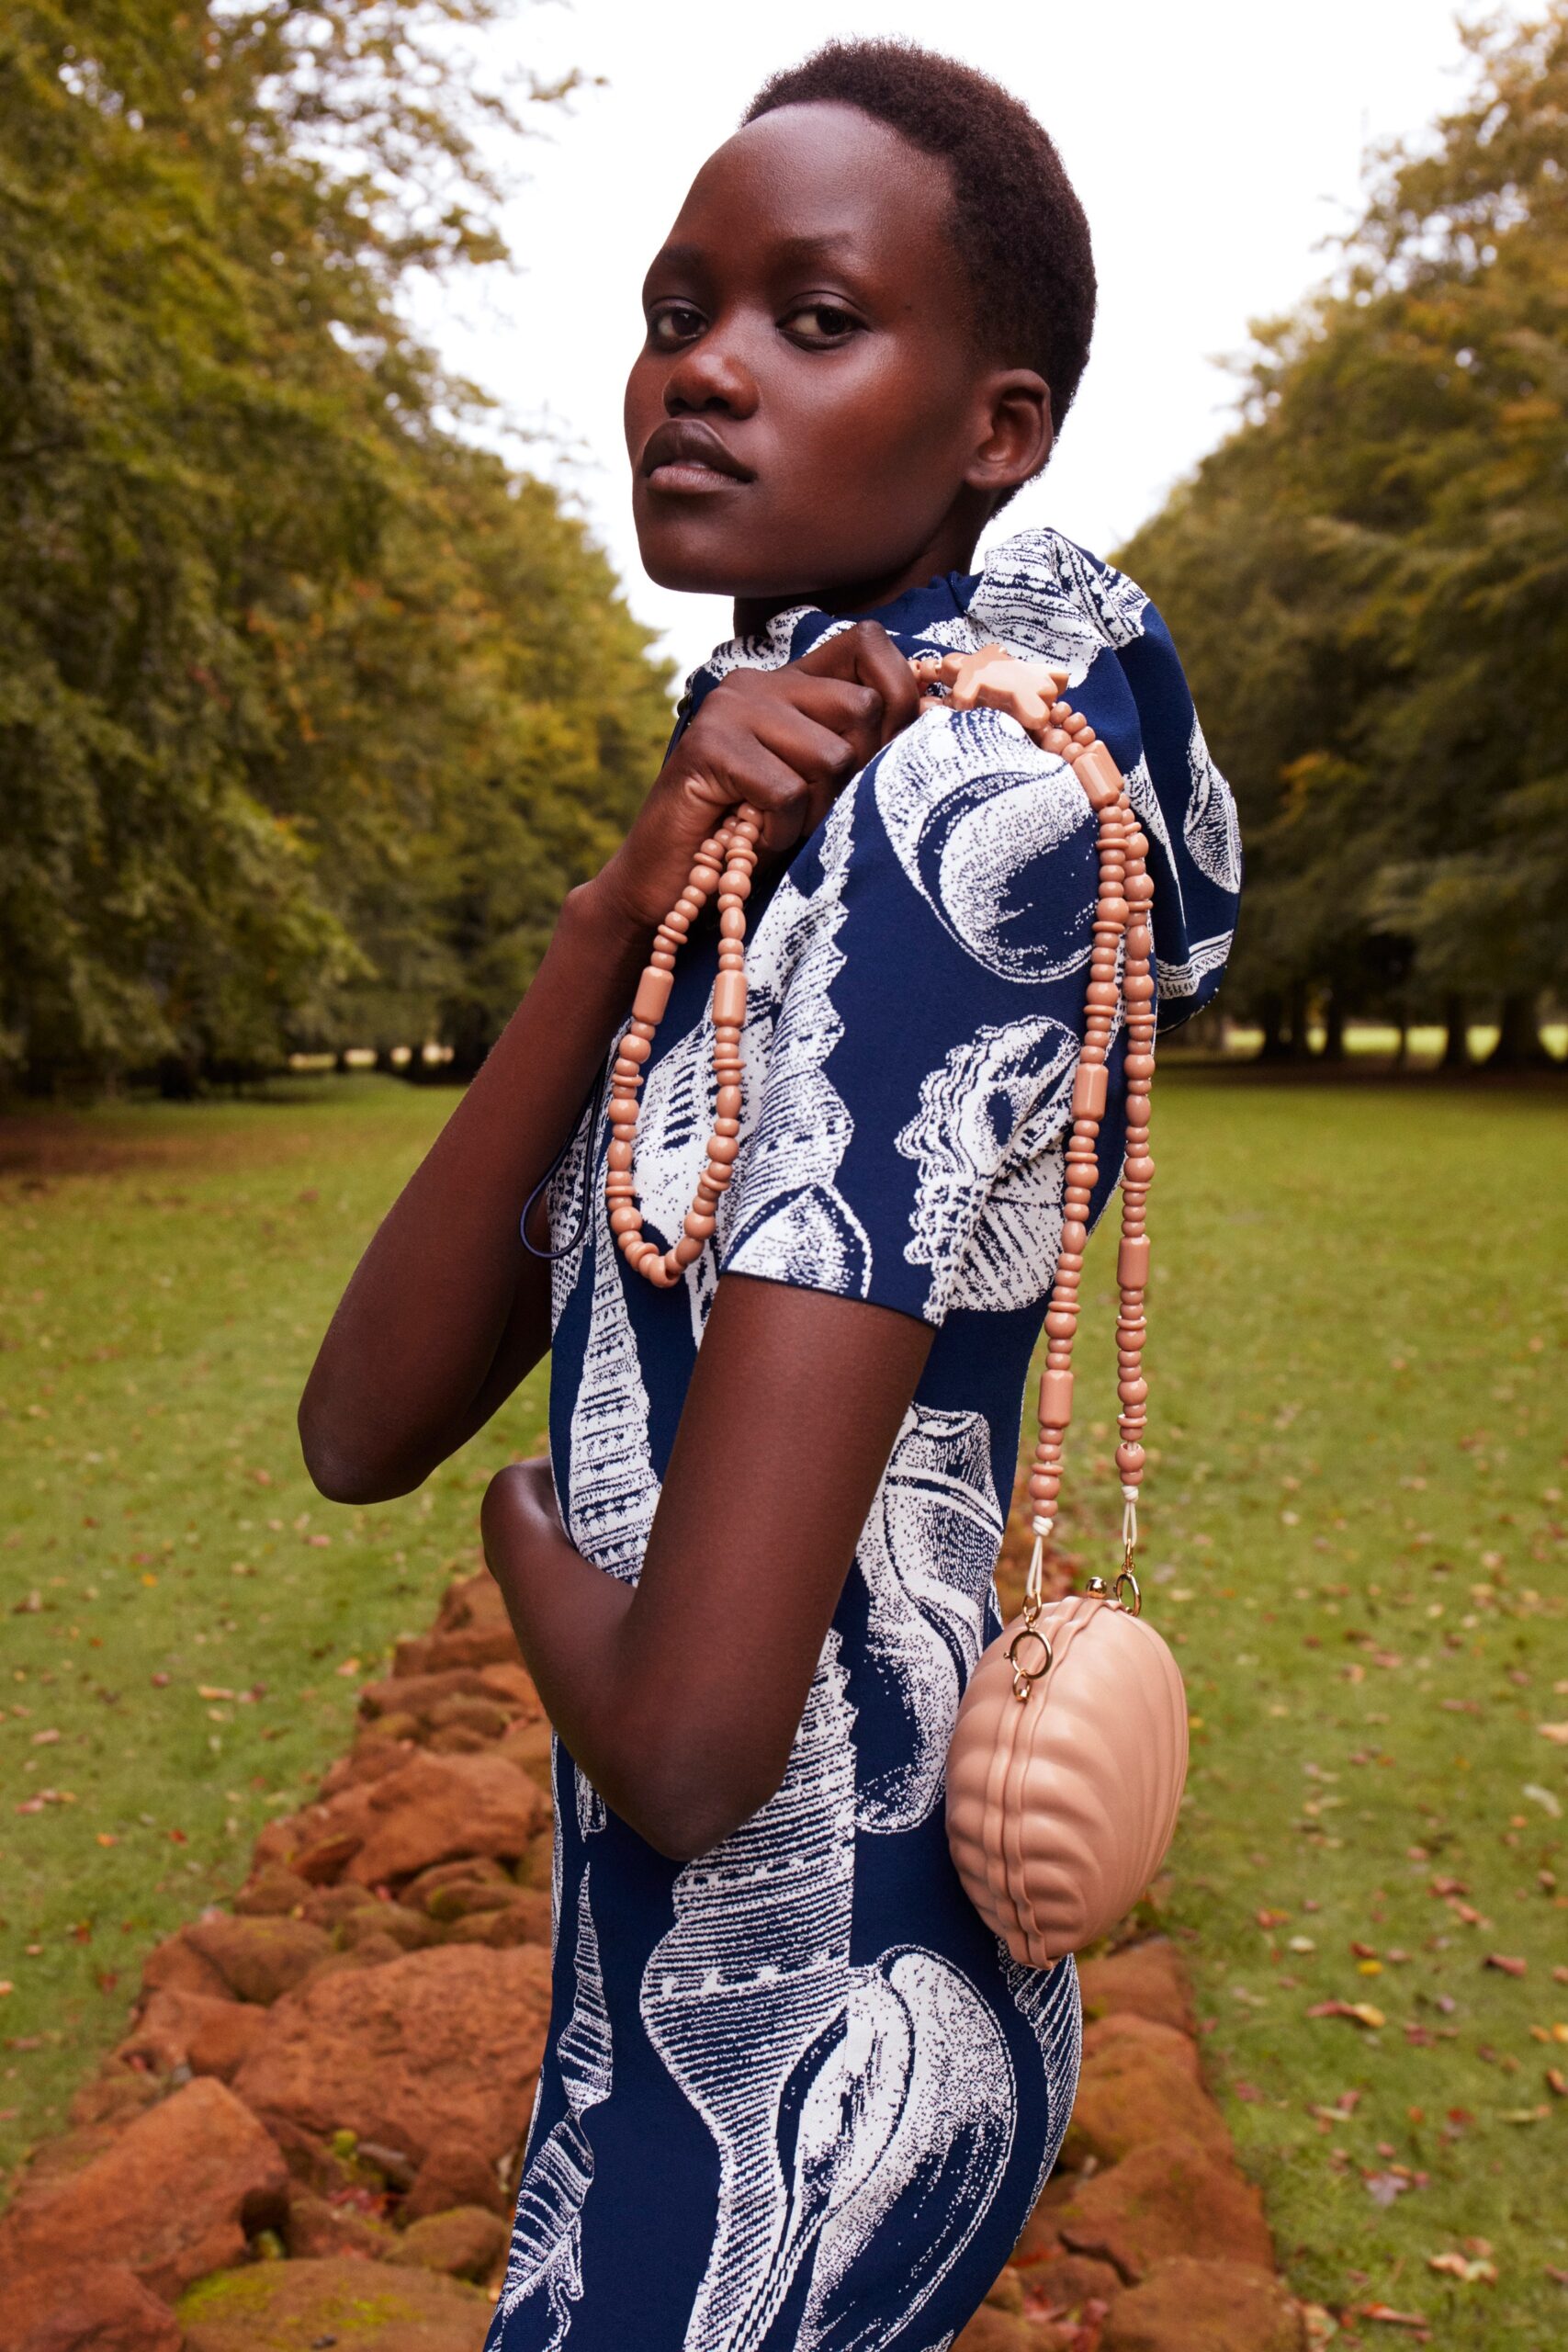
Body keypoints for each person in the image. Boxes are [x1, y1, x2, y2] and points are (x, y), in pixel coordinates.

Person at [299, 38, 1240, 2352]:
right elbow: (360, 1406)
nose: (697, 374)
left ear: (994, 426)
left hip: (787, 2080)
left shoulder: (949, 828)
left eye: (811, 321)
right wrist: (622, 895)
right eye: (673, 307)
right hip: (758, 1997)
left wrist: (534, 1530)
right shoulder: (808, 769)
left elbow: (697, 1731)